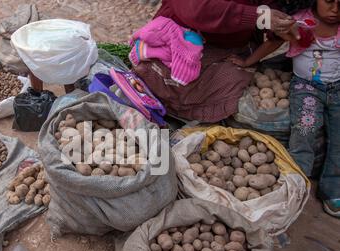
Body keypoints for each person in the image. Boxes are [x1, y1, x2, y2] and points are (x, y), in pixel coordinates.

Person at [230, 0, 340, 217]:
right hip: (306, 88)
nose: (335, 9)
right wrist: (247, 62)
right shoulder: (300, 22)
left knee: (338, 140)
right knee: (304, 135)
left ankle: (333, 189)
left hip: (337, 89)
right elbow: (271, 43)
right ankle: (296, 186)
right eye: (328, 1)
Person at [132, 0, 300, 123]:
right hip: (180, 38)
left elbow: (269, 10)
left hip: (227, 48)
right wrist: (259, 16)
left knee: (232, 80)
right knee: (154, 75)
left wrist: (279, 26)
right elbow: (196, 11)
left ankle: (195, 116)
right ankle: (165, 109)